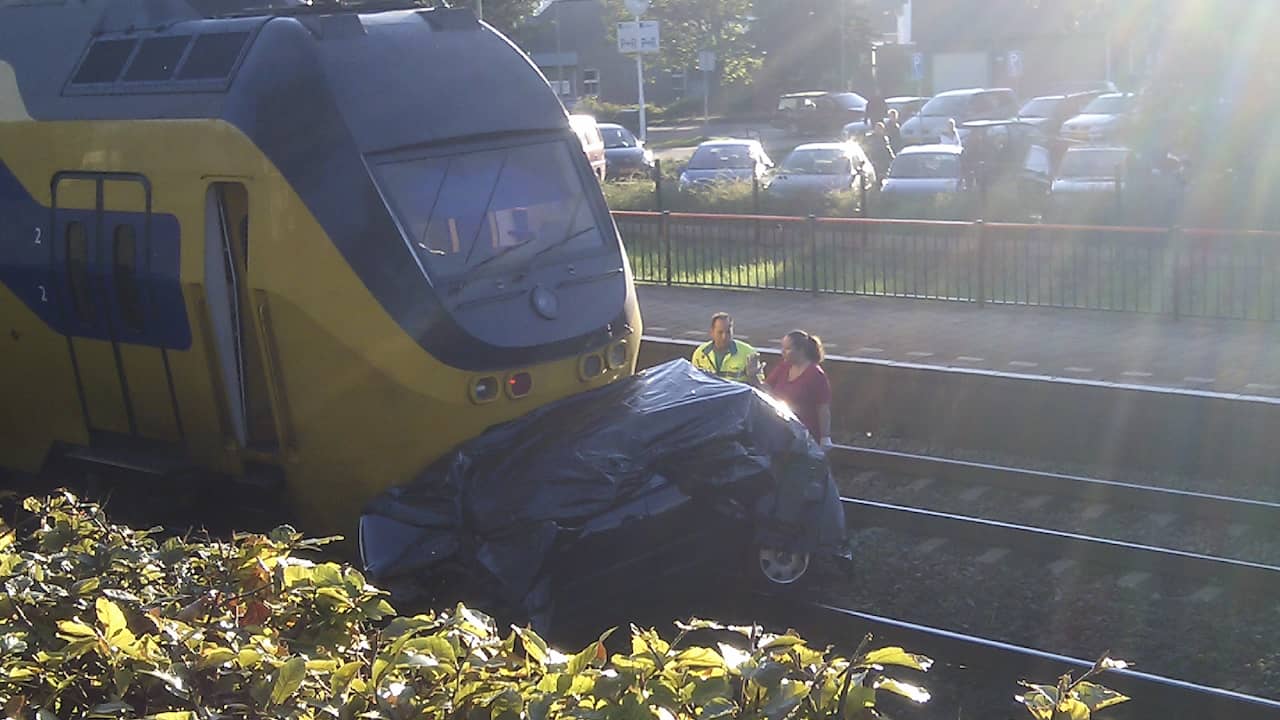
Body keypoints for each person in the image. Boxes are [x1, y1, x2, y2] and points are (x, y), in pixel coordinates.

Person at [765, 330, 832, 448]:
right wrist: (753, 376)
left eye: (787, 349)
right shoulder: (783, 367)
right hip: (781, 430)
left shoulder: (815, 374)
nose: (782, 352)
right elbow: (767, 390)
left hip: (805, 435)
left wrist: (825, 438)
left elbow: (823, 408)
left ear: (801, 350)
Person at [691, 312, 764, 386]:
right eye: (720, 332)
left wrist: (753, 377)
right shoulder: (700, 353)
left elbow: (762, 389)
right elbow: (693, 381)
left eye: (728, 332)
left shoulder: (748, 353)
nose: (724, 337)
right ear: (712, 333)